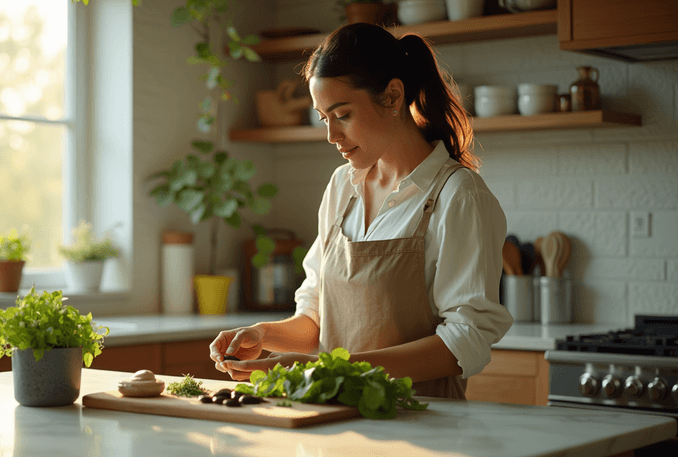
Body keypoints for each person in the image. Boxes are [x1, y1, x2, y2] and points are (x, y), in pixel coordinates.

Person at [209, 23, 513, 399]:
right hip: (335, 421)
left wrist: (320, 369)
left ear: (392, 96)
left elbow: (465, 341)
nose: (331, 136)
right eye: (324, 118)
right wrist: (264, 335)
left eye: (343, 115)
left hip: (423, 424)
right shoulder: (342, 186)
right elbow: (319, 319)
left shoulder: (458, 196)